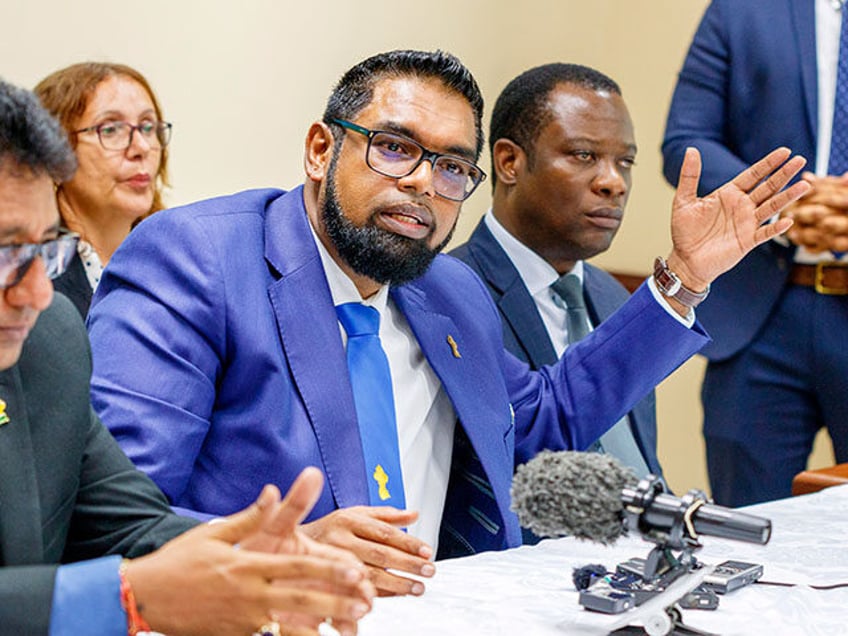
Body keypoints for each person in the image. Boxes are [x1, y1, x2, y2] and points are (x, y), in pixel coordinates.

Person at [86, 49, 807, 598]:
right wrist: (284, 551)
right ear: (319, 149)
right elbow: (117, 512)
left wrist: (683, 279)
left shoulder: (445, 285)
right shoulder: (197, 259)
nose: (423, 184)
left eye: (453, 168)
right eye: (395, 148)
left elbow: (539, 422)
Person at [0, 78, 373, 636]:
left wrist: (262, 564)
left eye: (44, 249)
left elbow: (130, 523)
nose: (36, 293)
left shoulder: (47, 342)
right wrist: (126, 595)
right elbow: (122, 581)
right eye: (7, 252)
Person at [662, 0, 848, 506]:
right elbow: (685, 141)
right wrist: (789, 202)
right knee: (746, 534)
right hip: (763, 316)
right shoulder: (741, 10)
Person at [451, 64, 660, 489]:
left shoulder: (612, 296)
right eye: (584, 156)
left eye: (625, 162)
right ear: (509, 162)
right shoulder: (453, 294)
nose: (613, 182)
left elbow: (640, 465)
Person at [33, 62, 171, 317]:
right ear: (53, 153)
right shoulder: (27, 274)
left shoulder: (177, 261)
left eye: (148, 127)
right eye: (110, 129)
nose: (140, 147)